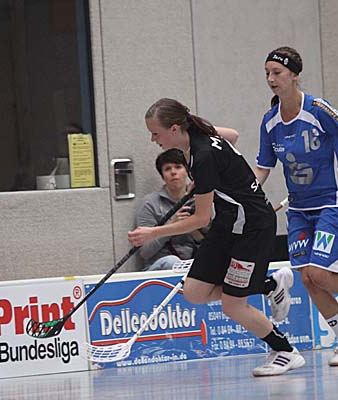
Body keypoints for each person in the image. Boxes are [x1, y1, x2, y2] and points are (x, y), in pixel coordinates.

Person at [128, 98, 303, 377]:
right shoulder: (200, 133)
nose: (153, 139)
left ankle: (285, 350)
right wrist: (209, 179)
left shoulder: (203, 156)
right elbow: (232, 135)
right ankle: (269, 284)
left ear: (174, 129)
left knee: (233, 305)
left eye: (155, 133)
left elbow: (200, 220)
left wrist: (153, 232)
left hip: (252, 227)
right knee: (194, 292)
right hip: (228, 222)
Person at [254, 46, 338, 367]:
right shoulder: (270, 122)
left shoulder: (318, 109)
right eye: (267, 73)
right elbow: (263, 168)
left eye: (277, 72)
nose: (271, 79)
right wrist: (246, 195)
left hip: (332, 204)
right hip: (299, 211)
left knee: (321, 274)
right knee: (308, 279)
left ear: (294, 75)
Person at [136, 149, 204, 271]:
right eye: (167, 169)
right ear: (162, 176)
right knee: (172, 261)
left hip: (192, 265)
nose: (173, 172)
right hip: (159, 268)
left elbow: (210, 244)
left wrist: (191, 228)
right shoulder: (150, 203)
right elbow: (145, 252)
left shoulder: (200, 200)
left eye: (178, 167)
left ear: (187, 172)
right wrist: (172, 226)